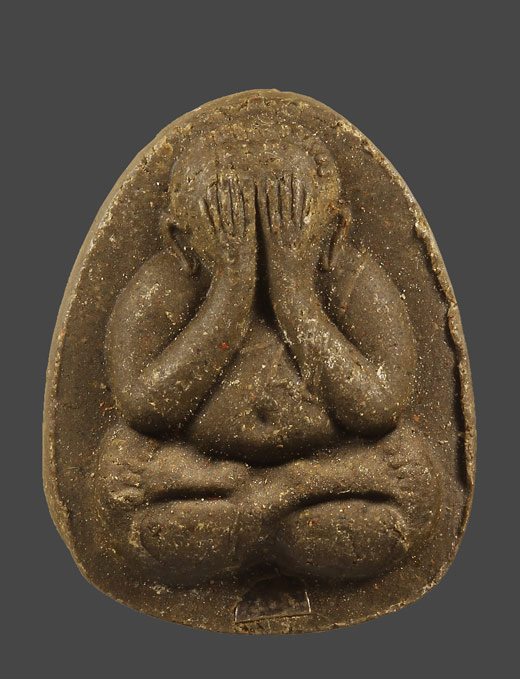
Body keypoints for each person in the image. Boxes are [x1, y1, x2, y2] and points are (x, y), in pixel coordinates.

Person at [96, 125, 441, 585]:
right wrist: (232, 287)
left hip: (313, 480)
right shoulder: (166, 286)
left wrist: (293, 289)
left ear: (334, 232)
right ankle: (273, 516)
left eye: (283, 223)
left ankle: (261, 512)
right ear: (180, 240)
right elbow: (143, 407)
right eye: (233, 226)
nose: (260, 251)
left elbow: (380, 406)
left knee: (414, 474)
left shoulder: (349, 278)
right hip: (208, 480)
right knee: (116, 475)